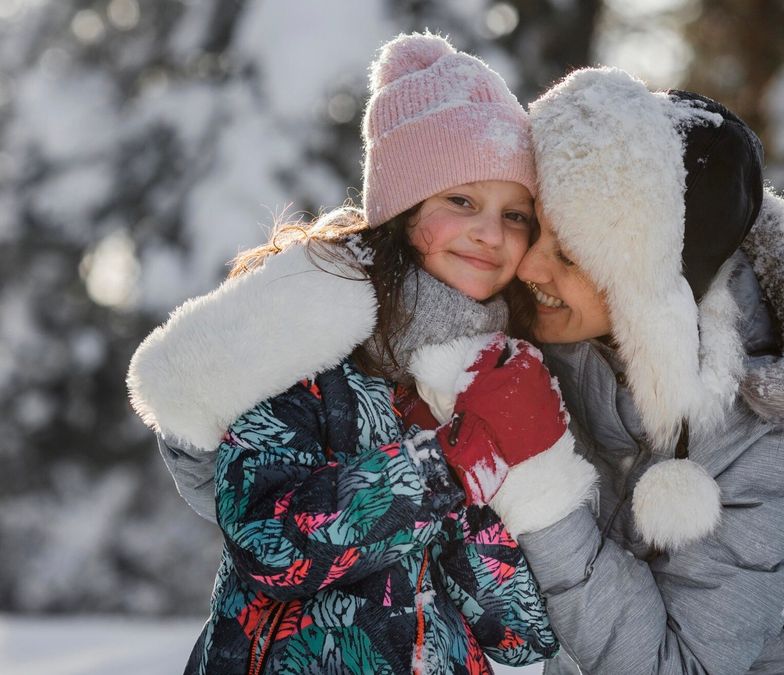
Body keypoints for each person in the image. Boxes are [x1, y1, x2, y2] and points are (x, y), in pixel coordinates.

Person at [410, 68, 784, 673]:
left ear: (653, 287)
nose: (529, 266)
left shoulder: (773, 443)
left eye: (571, 254)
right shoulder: (564, 331)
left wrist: (544, 487)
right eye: (538, 227)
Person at [126, 33, 562, 675]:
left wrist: (491, 466)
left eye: (516, 215)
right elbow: (270, 545)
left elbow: (521, 636)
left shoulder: (492, 375)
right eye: (461, 201)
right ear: (403, 208)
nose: (490, 233)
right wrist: (443, 466)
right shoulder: (306, 347)